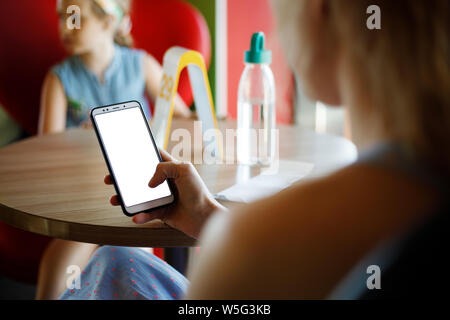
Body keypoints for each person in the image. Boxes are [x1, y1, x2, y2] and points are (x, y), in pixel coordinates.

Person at [36, 0, 449, 299]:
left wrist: (231, 241)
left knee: (110, 264)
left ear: (321, 10)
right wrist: (208, 219)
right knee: (113, 259)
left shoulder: (252, 249)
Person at [38, 0, 191, 135]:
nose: (65, 29)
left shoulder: (142, 64)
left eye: (75, 19)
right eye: (61, 17)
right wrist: (80, 136)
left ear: (107, 21)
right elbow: (47, 145)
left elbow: (182, 118)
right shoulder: (58, 79)